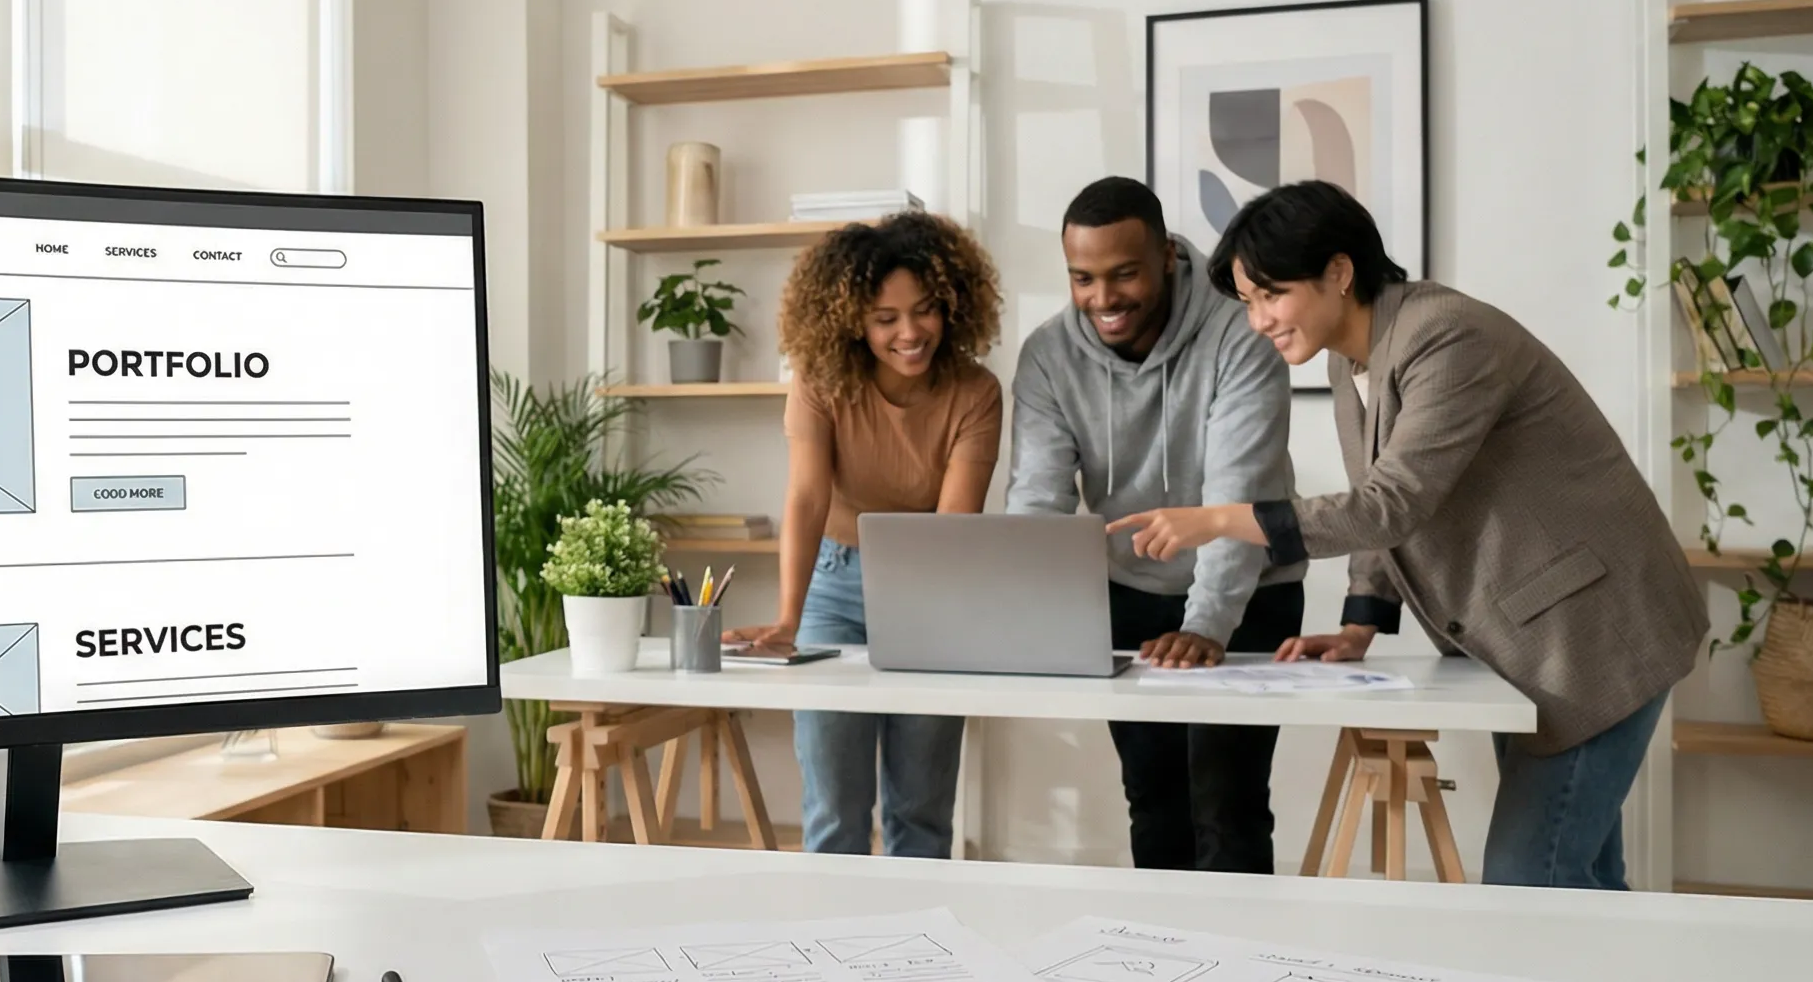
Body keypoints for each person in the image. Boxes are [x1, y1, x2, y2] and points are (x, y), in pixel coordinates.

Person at [1107, 181, 1704, 889]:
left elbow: (1390, 504)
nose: (1258, 320)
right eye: (1248, 302)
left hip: (1595, 632)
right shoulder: (1349, 355)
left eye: (1272, 294)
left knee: (1529, 877)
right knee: (1582, 883)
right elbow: (1385, 497)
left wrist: (1216, 519)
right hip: (1533, 638)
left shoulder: (1447, 336)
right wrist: (1361, 621)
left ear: (1338, 271)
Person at [1006, 177, 1304, 874]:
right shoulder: (1049, 356)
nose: (1103, 299)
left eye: (1123, 274)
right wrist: (1023, 623)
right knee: (1154, 798)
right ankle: (1165, 972)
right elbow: (1038, 502)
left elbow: (1239, 496)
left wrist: (1204, 626)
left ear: (1167, 255)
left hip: (1251, 588)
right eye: (1082, 278)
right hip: (1130, 589)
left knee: (1227, 803)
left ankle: (1239, 977)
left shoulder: (1241, 332)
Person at [726, 211, 1004, 858]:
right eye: (886, 319)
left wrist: (933, 620)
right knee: (836, 809)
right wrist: (788, 618)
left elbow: (952, 528)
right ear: (854, 319)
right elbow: (806, 497)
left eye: (927, 310)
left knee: (922, 811)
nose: (911, 333)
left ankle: (922, 949)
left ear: (953, 305)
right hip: (834, 582)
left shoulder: (976, 392)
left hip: (933, 590)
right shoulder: (821, 382)